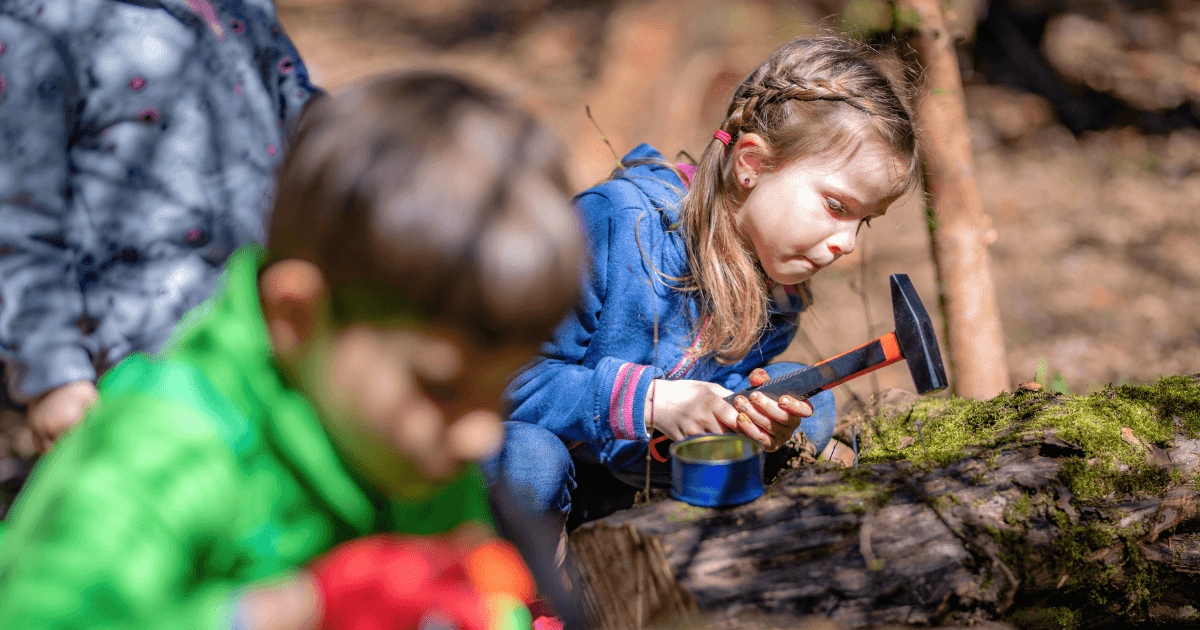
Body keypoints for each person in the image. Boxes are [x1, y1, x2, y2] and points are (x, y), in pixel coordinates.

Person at [0, 71, 585, 630]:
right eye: (441, 388)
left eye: (500, 390)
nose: (481, 436)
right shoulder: (163, 454)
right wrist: (298, 610)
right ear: (296, 317)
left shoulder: (414, 445)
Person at [487, 35, 920, 526]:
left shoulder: (778, 297)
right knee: (526, 461)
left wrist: (748, 422)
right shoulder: (615, 225)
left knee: (805, 401)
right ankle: (517, 577)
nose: (848, 243)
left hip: (637, 482)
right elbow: (505, 379)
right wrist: (648, 400)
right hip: (547, 472)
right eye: (836, 206)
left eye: (862, 221)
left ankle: (654, 538)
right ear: (751, 164)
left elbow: (713, 403)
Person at [0, 0, 318, 452]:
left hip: (250, 331)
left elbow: (307, 121)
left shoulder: (241, 9)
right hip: (136, 357)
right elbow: (17, 218)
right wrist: (53, 373)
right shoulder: (40, 21)